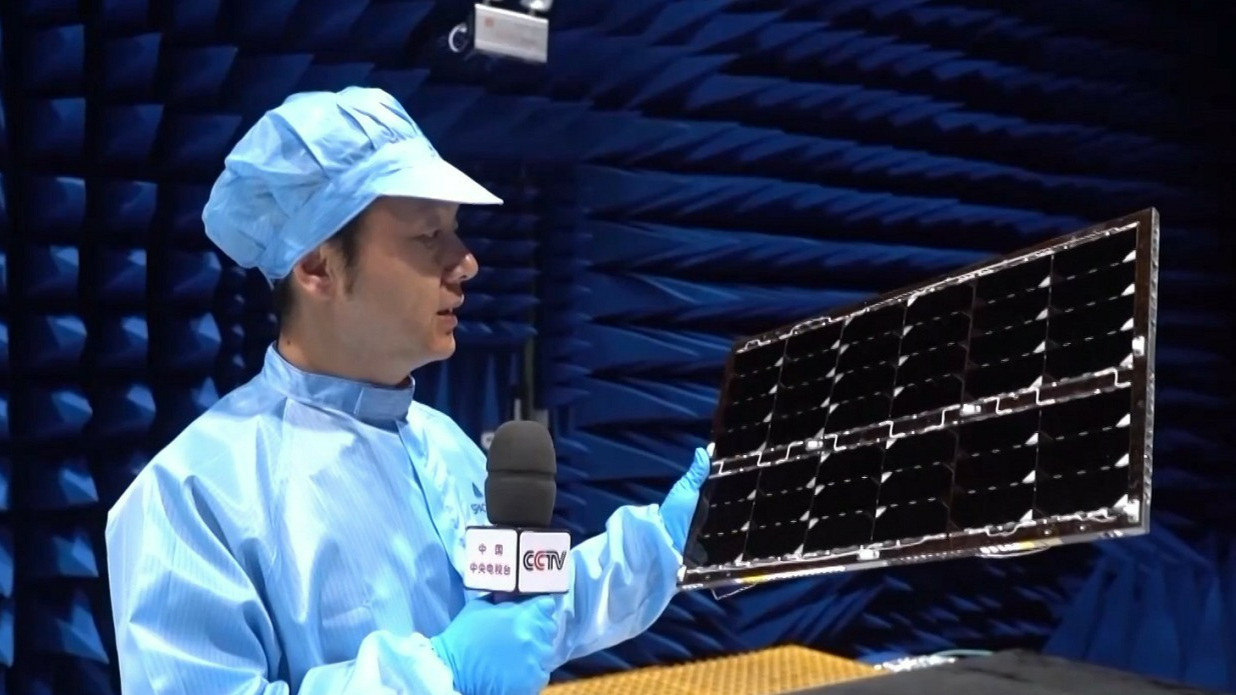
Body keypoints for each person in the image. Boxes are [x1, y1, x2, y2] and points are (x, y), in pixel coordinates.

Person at [104, 86, 711, 695]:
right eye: (428, 236)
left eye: (456, 231)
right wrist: (440, 671)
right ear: (317, 266)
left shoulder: (442, 444)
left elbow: (525, 618)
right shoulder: (191, 497)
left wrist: (665, 544)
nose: (467, 262)